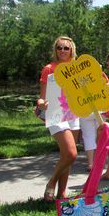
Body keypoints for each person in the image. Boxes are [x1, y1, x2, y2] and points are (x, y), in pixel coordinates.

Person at [37, 36, 80, 201]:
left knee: (66, 156)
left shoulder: (76, 68)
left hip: (73, 114)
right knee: (71, 153)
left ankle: (61, 194)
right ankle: (51, 183)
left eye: (66, 48)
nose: (62, 51)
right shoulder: (49, 68)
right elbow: (41, 97)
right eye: (59, 48)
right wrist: (41, 103)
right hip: (55, 114)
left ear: (71, 50)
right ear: (55, 50)